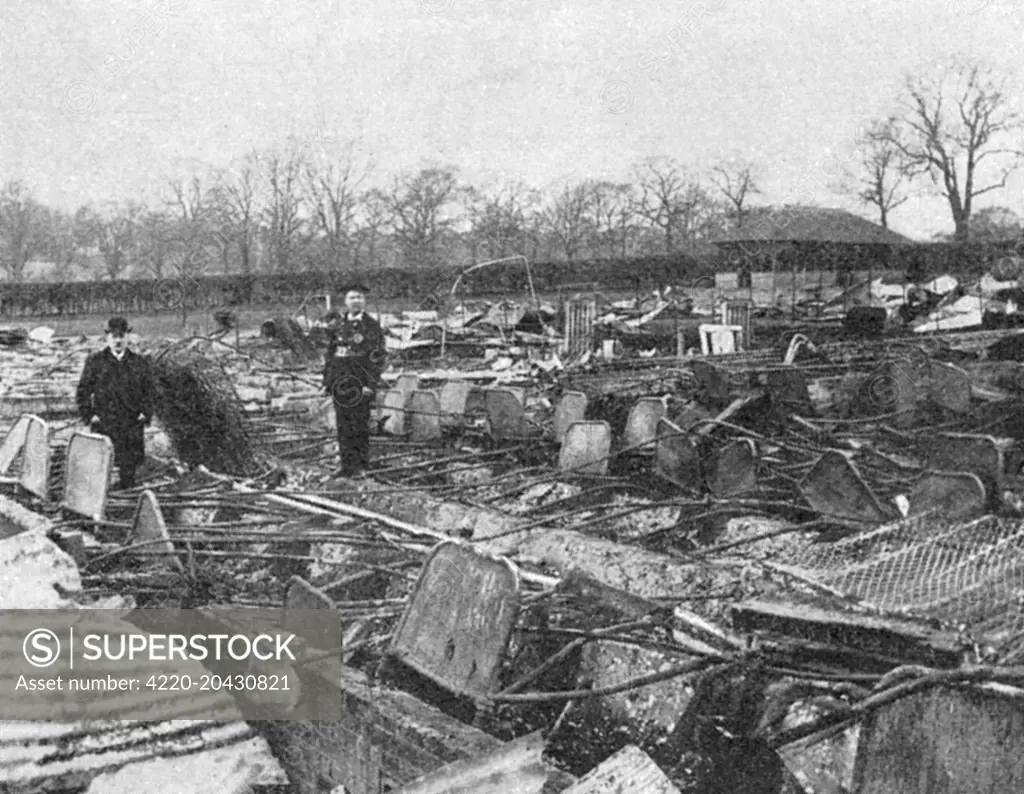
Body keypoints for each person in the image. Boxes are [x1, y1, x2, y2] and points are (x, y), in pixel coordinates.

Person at [75, 317, 155, 490]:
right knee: (102, 464)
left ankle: (127, 498)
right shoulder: (95, 362)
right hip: (105, 422)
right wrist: (90, 416)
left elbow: (150, 391)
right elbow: (82, 392)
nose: (118, 340)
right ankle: (102, 502)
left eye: (121, 336)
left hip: (131, 423)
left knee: (129, 467)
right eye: (114, 336)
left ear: (128, 337)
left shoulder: (139, 363)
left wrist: (145, 413)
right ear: (107, 338)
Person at [322, 285, 386, 476]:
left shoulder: (372, 326)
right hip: (341, 383)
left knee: (359, 424)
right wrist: (327, 381)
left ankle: (360, 466)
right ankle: (346, 465)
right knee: (342, 424)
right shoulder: (339, 325)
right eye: (352, 298)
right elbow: (330, 354)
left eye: (359, 297)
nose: (356, 301)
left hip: (361, 384)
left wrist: (370, 384)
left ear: (364, 301)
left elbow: (378, 358)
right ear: (346, 302)